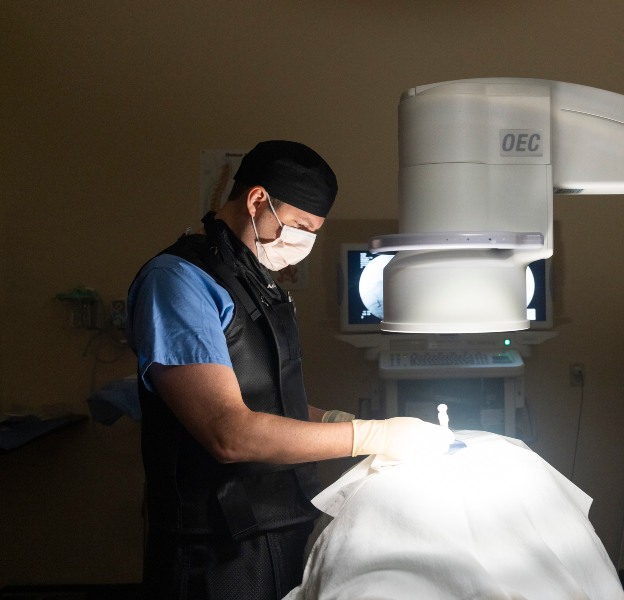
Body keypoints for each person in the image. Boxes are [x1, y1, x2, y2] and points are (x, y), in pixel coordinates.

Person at [126, 140, 453, 600]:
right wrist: (370, 435)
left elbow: (272, 402)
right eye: (298, 226)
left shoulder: (257, 284)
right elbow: (230, 432)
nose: (303, 243)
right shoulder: (179, 282)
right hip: (215, 551)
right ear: (258, 200)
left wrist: (336, 422)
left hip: (285, 524)